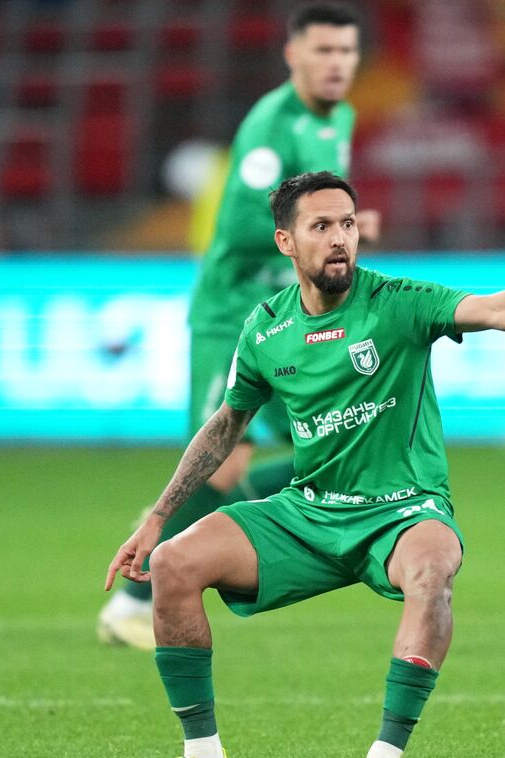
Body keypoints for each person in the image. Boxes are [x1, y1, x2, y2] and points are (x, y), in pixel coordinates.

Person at [104, 171, 505, 758]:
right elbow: (224, 427)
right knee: (174, 564)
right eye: (320, 226)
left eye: (347, 223)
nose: (340, 238)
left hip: (403, 513)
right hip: (310, 512)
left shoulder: (397, 302)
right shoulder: (266, 330)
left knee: (432, 573)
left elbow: (496, 308)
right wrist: (159, 517)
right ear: (286, 242)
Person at [98, 2, 381, 650]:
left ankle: (200, 548)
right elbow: (248, 224)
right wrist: (331, 226)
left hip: (290, 312)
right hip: (234, 315)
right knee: (223, 465)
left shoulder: (340, 116)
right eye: (323, 52)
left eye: (346, 53)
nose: (336, 64)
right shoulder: (270, 124)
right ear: (294, 56)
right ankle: (137, 598)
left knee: (337, 445)